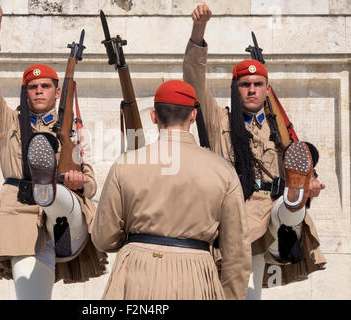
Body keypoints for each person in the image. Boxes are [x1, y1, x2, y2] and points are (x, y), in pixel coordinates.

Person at [183, 3, 327, 300]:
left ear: (266, 89)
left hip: (274, 208)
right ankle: (292, 210)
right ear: (236, 89)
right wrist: (199, 32)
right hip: (240, 212)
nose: (251, 89)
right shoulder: (219, 120)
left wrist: (310, 184)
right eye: (245, 84)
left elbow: (296, 158)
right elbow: (195, 82)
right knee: (247, 293)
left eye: (258, 84)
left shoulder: (280, 129)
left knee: (290, 201)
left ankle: (294, 205)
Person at [0, 0, 107, 299]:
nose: (38, 91)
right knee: (31, 295)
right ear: (25, 91)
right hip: (21, 214)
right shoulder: (6, 121)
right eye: (33, 87)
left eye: (45, 86)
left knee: (61, 196)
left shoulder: (70, 131)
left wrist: (80, 183)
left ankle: (50, 189)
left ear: (57, 92)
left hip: (66, 221)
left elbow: (90, 179)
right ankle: (43, 187)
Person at [92, 80, 251, 300]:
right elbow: (237, 251)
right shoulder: (223, 170)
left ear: (154, 116)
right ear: (193, 116)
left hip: (138, 274)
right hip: (197, 275)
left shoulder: (125, 165)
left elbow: (103, 238)